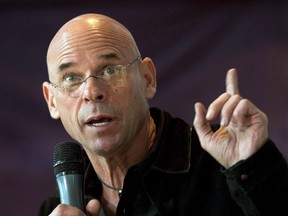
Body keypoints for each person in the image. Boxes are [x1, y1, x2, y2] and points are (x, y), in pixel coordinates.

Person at [38, 13, 288, 216]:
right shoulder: (58, 209)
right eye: (71, 78)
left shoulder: (223, 166)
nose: (92, 91)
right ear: (52, 102)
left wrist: (257, 171)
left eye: (110, 70)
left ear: (147, 78)